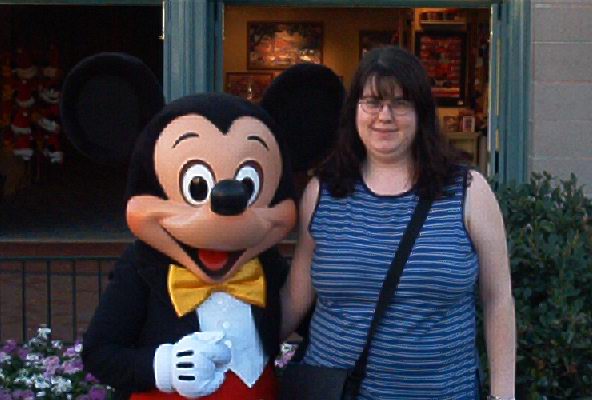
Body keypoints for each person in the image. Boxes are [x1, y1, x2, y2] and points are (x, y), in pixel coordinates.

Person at [280, 46, 516, 400]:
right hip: (337, 391)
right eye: (372, 102)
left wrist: (503, 394)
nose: (384, 116)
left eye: (400, 103)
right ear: (355, 110)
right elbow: (296, 297)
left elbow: (498, 299)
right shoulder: (323, 193)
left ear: (421, 112)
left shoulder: (468, 192)